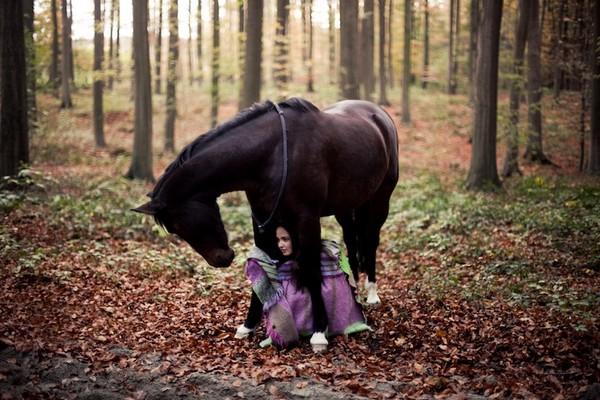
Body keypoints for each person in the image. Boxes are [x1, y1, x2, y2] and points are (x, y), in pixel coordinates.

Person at [235, 226, 370, 350]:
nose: (280, 245)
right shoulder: (277, 263)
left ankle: (318, 328)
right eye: (277, 240)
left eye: (285, 239)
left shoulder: (314, 257)